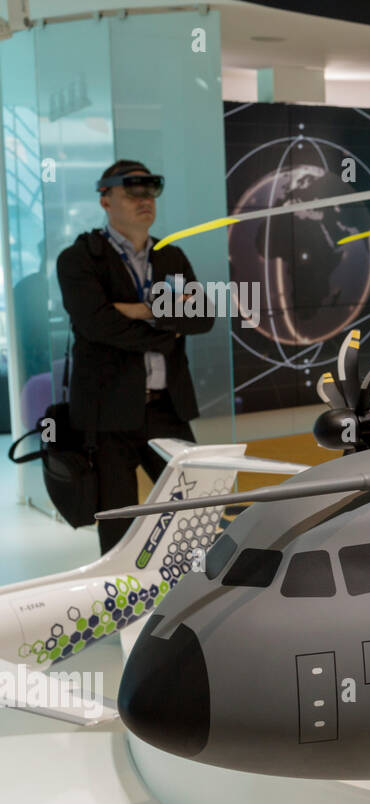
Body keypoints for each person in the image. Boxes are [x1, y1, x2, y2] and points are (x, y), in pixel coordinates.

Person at [56, 160, 214, 553]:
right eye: (133, 192)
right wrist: (167, 321)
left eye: (151, 192)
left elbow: (204, 317)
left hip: (167, 408)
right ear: (105, 199)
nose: (145, 201)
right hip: (107, 414)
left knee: (198, 510)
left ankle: (196, 596)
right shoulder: (80, 259)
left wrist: (138, 309)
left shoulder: (170, 257)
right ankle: (123, 610)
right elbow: (97, 325)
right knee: (119, 523)